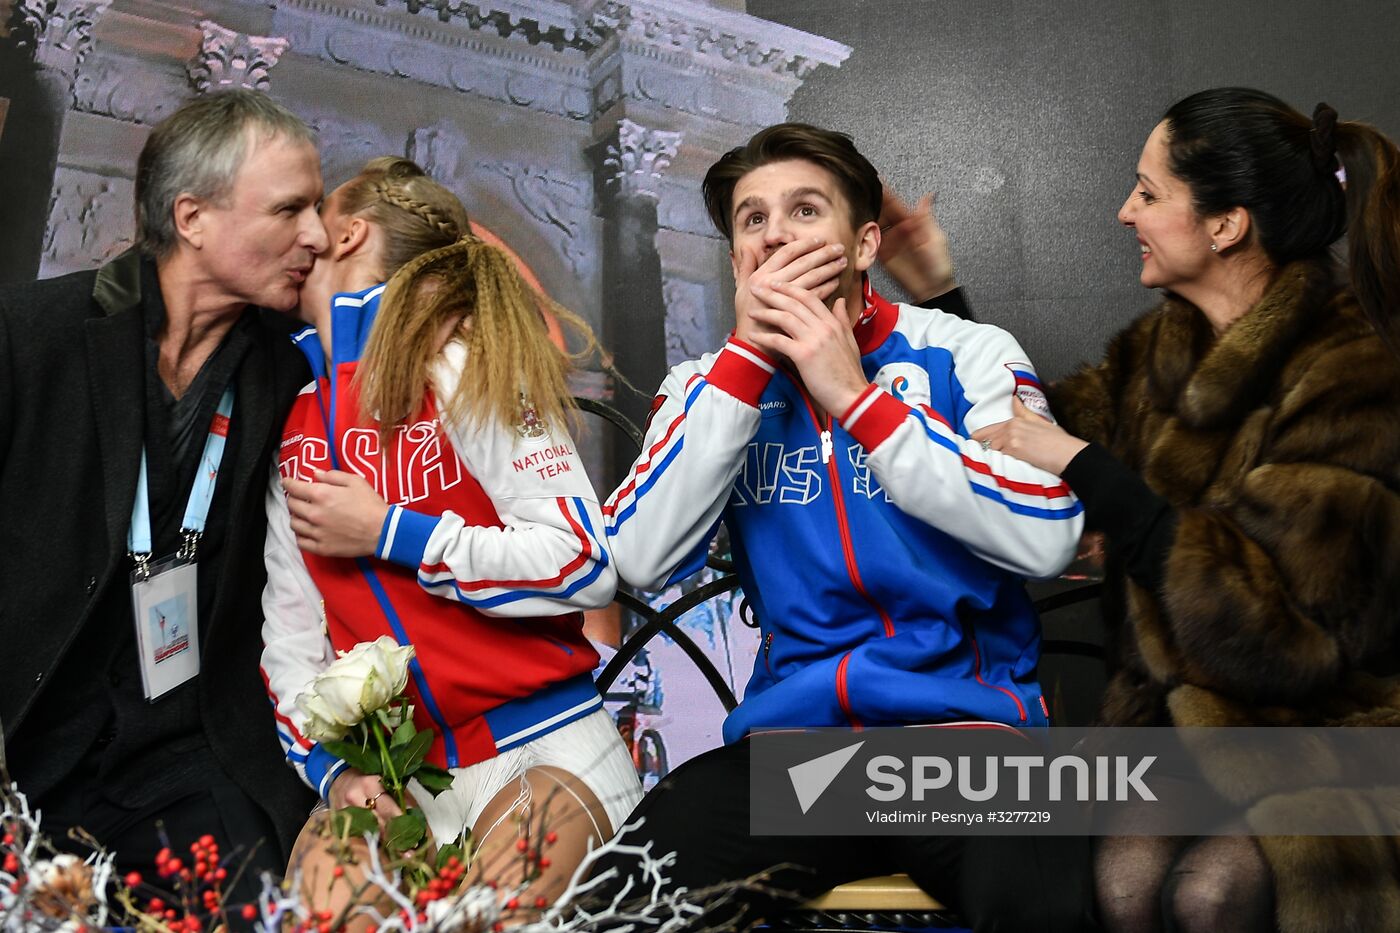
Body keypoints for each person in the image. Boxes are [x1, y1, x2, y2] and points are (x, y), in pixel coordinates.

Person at [595, 123, 1094, 931]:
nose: (775, 236)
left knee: (1044, 903)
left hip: (966, 746)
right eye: (752, 221)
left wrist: (860, 401)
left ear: (864, 245)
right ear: (735, 262)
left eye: (803, 210)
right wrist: (747, 366)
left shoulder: (960, 352)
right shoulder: (703, 386)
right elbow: (640, 558)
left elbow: (1048, 531)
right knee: (626, 897)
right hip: (797, 756)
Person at [962, 88, 1400, 933]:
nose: (1126, 211)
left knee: (1210, 892)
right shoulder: (1161, 349)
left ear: (1226, 225)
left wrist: (1094, 475)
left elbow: (1282, 639)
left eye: (1149, 192)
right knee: (1123, 879)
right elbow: (1027, 435)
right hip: (1179, 735)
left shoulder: (1357, 376)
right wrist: (944, 310)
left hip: (1331, 733)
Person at [258, 157, 641, 923]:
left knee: (474, 922)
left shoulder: (466, 364)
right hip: (402, 780)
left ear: (349, 232)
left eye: (312, 226)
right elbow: (291, 639)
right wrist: (331, 771)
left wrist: (391, 531)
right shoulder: (298, 422)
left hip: (545, 746)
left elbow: (581, 559)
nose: (296, 244)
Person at [0, 90, 325, 891]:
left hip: (187, 756)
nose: (315, 235)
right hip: (27, 741)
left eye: (317, 209)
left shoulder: (290, 376)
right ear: (192, 217)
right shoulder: (27, 337)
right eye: (289, 209)